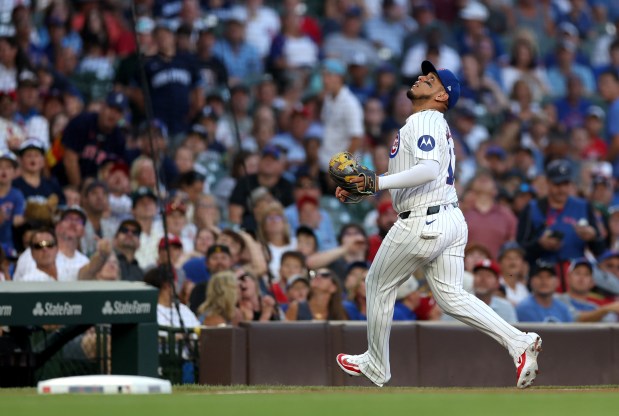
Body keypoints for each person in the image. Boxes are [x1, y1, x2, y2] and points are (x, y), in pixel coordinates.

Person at [334, 61, 542, 389]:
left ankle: (376, 363)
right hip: (448, 216)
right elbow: (418, 177)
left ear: (442, 95)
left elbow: (429, 169)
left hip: (425, 220)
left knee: (376, 283)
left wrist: (376, 182)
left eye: (429, 79)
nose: (420, 78)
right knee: (450, 295)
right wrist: (363, 188)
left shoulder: (426, 119)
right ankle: (519, 342)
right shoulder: (427, 122)